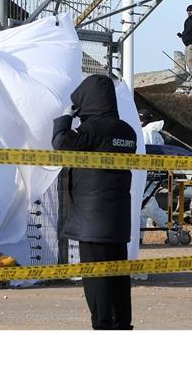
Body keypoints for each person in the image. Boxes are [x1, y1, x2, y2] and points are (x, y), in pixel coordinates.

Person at [52, 74, 139, 330]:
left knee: (96, 278)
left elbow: (60, 144)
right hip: (118, 218)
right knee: (118, 276)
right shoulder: (127, 131)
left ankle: (102, 326)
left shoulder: (92, 130)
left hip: (92, 221)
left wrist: (66, 118)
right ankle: (122, 324)